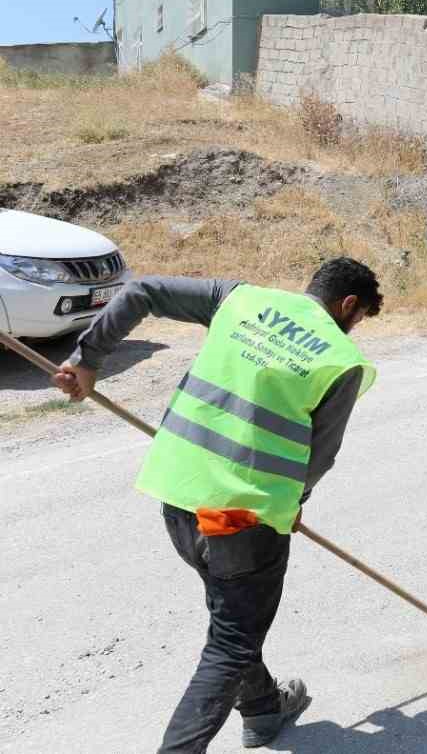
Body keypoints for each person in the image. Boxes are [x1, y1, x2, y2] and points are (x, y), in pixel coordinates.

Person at [51, 258, 383, 753]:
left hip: (180, 497)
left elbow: (143, 291)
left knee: (231, 616)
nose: (353, 331)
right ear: (349, 305)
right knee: (231, 642)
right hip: (243, 522)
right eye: (357, 321)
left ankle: (263, 708)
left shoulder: (240, 298)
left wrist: (88, 358)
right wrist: (293, 502)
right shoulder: (341, 359)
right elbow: (320, 456)